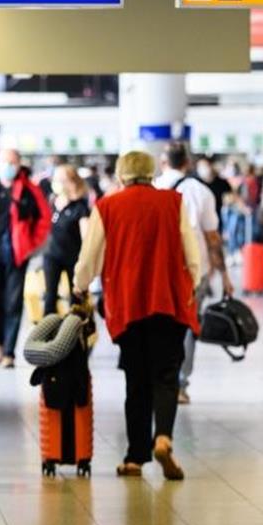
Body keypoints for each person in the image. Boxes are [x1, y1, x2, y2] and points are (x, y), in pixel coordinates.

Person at [72, 150, 202, 480]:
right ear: (152, 174)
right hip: (169, 301)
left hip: (128, 305)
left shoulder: (107, 206)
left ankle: (134, 457)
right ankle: (164, 438)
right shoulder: (174, 202)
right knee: (166, 373)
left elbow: (90, 257)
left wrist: (80, 285)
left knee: (137, 379)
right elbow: (192, 253)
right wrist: (193, 282)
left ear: (121, 176)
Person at [154, 141, 232, 405]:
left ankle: (160, 378)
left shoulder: (152, 189)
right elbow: (212, 238)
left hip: (159, 271)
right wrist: (225, 276)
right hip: (194, 271)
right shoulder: (201, 192)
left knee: (159, 324)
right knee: (188, 325)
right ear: (187, 164)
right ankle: (179, 383)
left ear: (163, 163)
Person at [0, 148, 52, 368]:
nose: (8, 166)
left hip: (17, 255)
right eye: (5, 162)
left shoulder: (29, 189)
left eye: (12, 162)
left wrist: (30, 244)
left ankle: (8, 352)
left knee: (13, 304)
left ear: (19, 164)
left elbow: (44, 219)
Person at [41, 164, 91, 316]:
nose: (56, 183)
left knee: (76, 298)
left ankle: (76, 334)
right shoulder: (51, 203)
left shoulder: (80, 207)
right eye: (55, 179)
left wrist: (86, 262)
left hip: (73, 258)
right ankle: (48, 333)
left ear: (72, 181)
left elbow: (86, 236)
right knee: (50, 297)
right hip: (51, 256)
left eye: (61, 179)